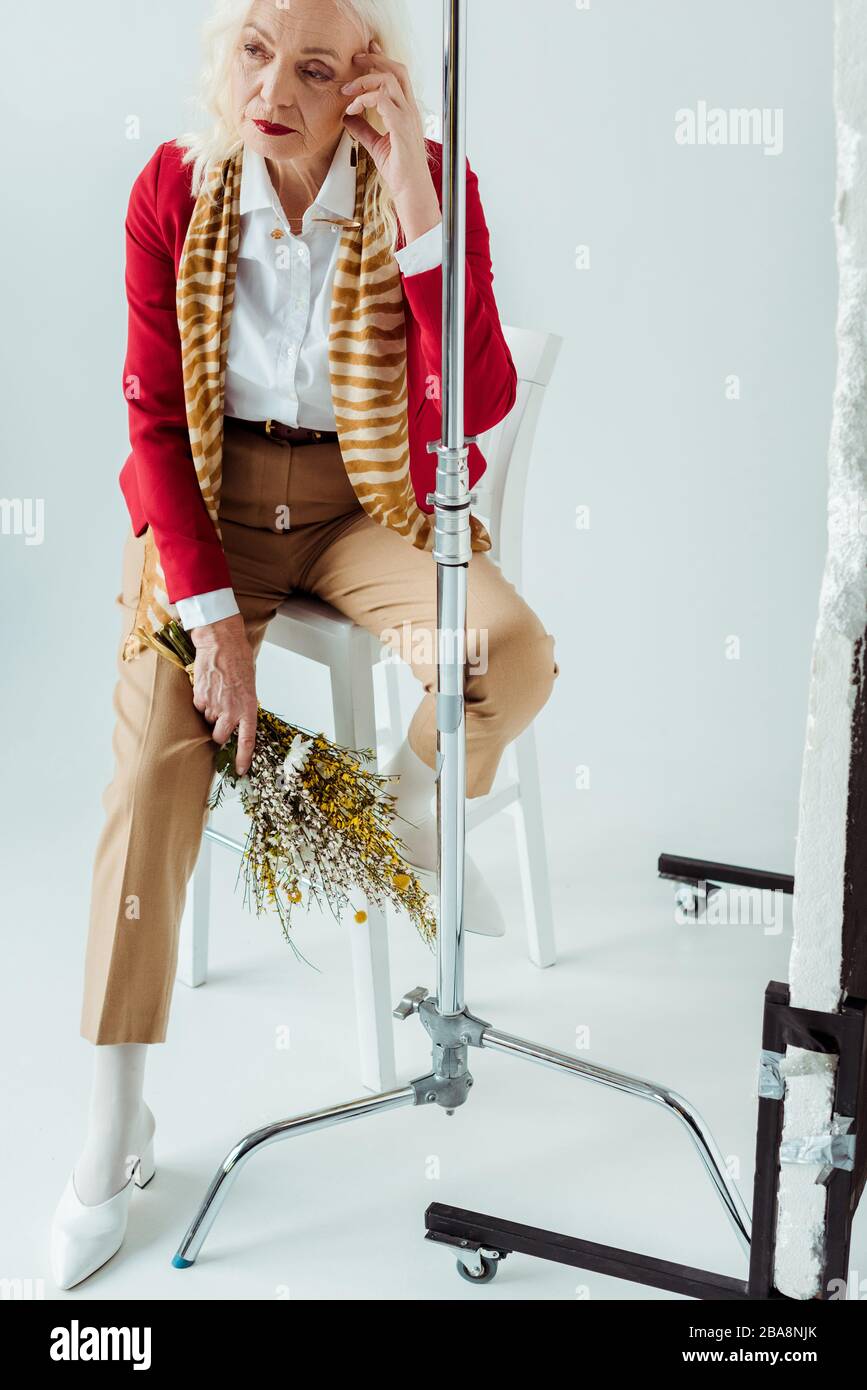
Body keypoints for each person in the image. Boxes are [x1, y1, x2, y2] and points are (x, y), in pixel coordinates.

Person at [50, 0, 559, 1289]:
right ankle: (113, 1131)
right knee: (153, 770)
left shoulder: (428, 189)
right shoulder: (174, 186)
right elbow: (155, 423)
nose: (273, 86)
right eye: (256, 49)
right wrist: (211, 624)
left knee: (505, 647)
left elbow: (476, 403)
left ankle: (406, 813)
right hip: (209, 511)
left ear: (366, 87)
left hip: (356, 503)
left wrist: (416, 208)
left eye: (317, 67)